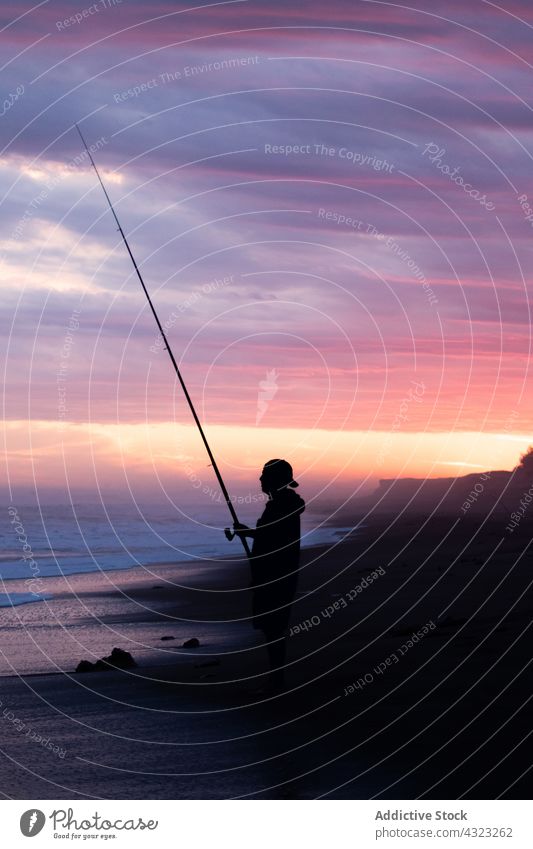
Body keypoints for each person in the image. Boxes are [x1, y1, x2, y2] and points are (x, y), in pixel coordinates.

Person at [234, 459, 305, 691]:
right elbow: (272, 535)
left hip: (277, 576)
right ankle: (276, 677)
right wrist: (251, 534)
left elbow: (275, 538)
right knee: (272, 628)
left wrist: (250, 534)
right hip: (275, 574)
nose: (260, 480)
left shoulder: (281, 505)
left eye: (264, 475)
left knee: (274, 628)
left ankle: (277, 680)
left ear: (275, 480)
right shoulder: (280, 504)